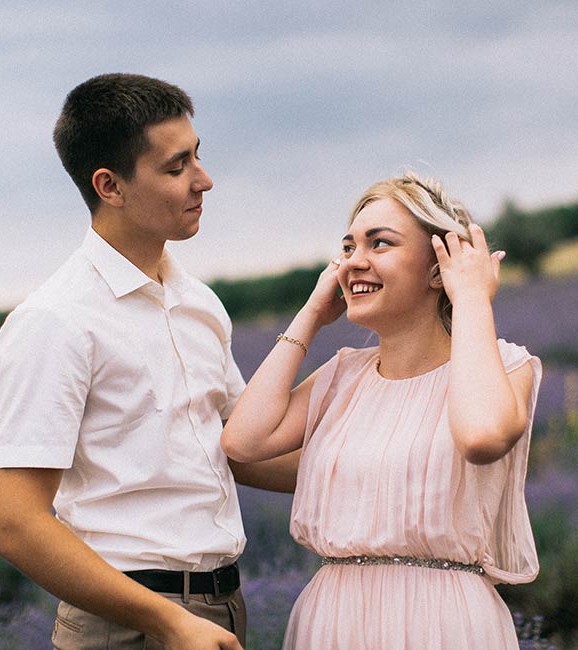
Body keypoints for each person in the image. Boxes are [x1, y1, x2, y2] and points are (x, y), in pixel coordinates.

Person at [0, 73, 294, 650]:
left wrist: (380, 461)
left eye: (197, 157)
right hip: (126, 624)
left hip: (222, 605)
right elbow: (15, 524)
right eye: (176, 167)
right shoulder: (56, 321)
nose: (204, 180)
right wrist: (167, 620)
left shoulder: (199, 303)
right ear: (110, 185)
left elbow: (241, 451)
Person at [221, 172, 541, 649]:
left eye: (380, 244)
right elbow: (241, 443)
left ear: (438, 268)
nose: (354, 263)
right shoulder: (342, 376)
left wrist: (471, 296)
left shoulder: (508, 365)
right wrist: (310, 314)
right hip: (332, 623)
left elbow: (480, 436)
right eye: (348, 248)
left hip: (442, 625)